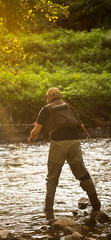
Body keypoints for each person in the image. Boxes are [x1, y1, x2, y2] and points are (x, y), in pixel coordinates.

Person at [27, 87, 101, 221]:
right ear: (59, 96)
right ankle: (96, 204)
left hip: (59, 144)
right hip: (74, 142)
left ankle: (48, 211)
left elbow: (36, 132)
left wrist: (31, 138)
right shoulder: (68, 106)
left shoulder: (46, 109)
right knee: (82, 174)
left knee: (52, 177)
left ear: (49, 97)